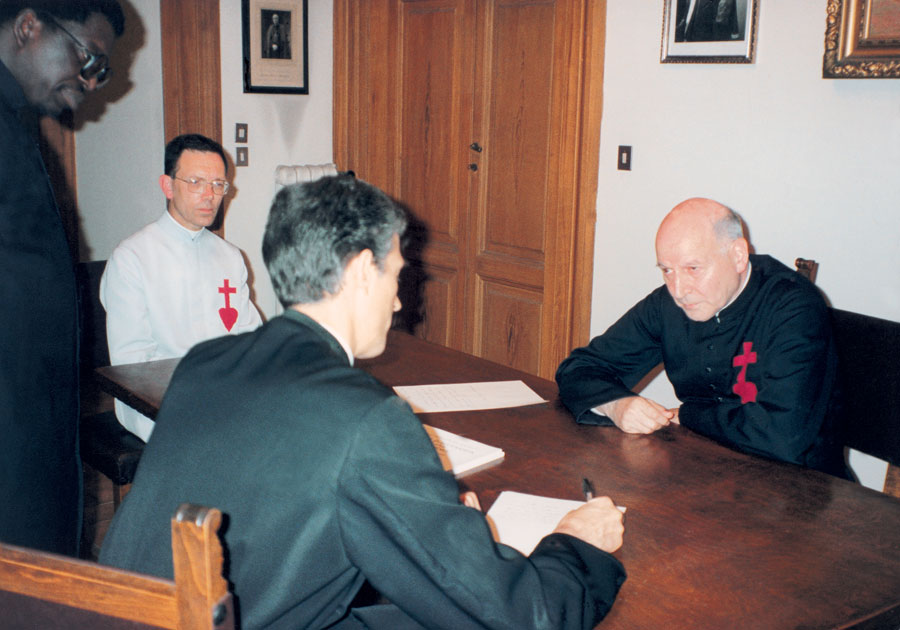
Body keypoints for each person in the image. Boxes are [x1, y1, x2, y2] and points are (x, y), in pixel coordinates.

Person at [100, 175, 627, 630]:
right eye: (396, 274)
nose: (400, 300)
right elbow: (518, 614)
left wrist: (429, 514)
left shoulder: (205, 364)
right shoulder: (369, 419)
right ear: (358, 273)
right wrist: (575, 546)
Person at [556, 198, 848, 478]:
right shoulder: (668, 304)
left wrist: (688, 415)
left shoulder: (794, 306)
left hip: (802, 489)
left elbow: (782, 437)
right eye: (667, 271)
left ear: (737, 256)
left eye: (693, 268)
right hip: (704, 470)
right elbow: (579, 368)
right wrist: (616, 405)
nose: (679, 290)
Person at [0, 0, 124, 555]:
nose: (93, 81)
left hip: (31, 418)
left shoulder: (15, 123)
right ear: (29, 27)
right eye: (89, 58)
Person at [100, 133, 262, 441]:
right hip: (156, 400)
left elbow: (249, 337)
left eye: (218, 184)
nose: (209, 195)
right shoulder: (132, 257)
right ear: (168, 186)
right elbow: (133, 363)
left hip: (222, 391)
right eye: (196, 182)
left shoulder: (229, 256)